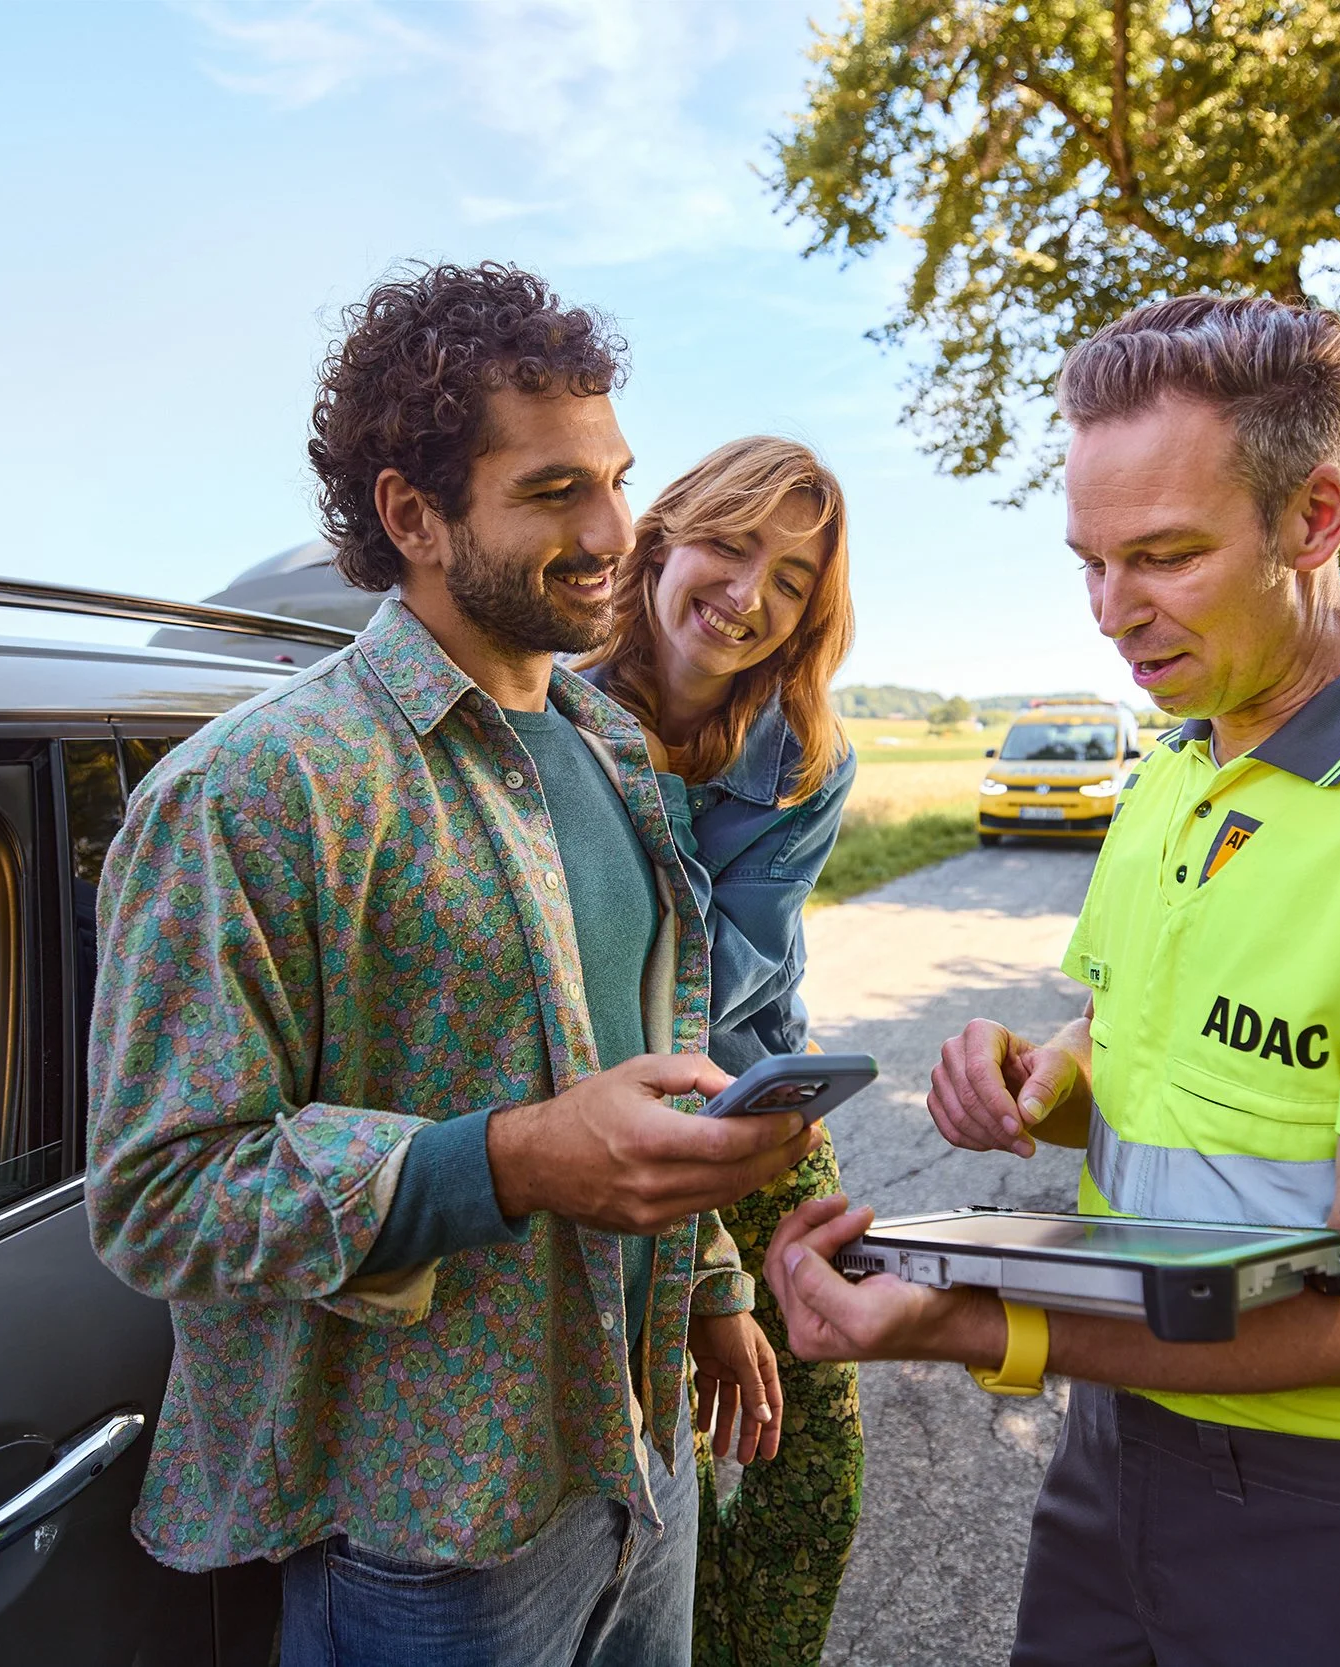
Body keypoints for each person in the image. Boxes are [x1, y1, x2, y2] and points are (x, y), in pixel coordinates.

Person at [761, 295, 1340, 1666]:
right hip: (1117, 1457)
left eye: (1165, 556)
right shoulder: (1172, 771)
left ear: (1313, 518)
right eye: (1091, 562)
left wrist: (978, 1320)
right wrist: (1048, 1077)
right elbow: (1133, 1043)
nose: (1115, 613)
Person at [85, 262, 816, 1667]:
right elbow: (160, 1193)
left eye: (617, 479)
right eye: (553, 491)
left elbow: (627, 1062)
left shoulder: (610, 751)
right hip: (436, 1537)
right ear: (412, 515)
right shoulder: (258, 789)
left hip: (641, 1447)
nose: (614, 532)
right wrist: (512, 1160)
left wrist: (713, 1283)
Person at [574, 437, 863, 1667]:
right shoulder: (555, 712)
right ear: (661, 538)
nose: (749, 595)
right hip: (604, 1117)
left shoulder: (804, 757)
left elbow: (715, 971)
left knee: (809, 1462)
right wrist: (706, 1275)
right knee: (665, 1452)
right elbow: (586, 986)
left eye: (791, 580)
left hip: (754, 1107)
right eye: (730, 547)